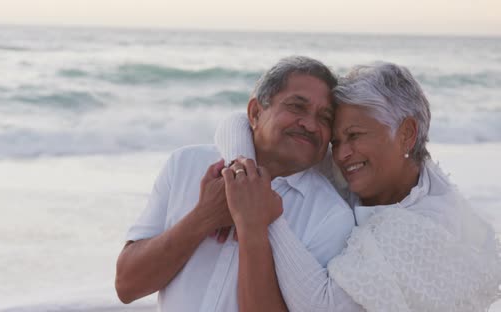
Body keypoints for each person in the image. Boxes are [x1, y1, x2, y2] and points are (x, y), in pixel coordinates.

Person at [216, 62, 501, 311]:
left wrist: (264, 214)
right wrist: (242, 171)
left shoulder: (426, 226)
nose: (341, 154)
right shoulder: (379, 173)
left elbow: (321, 306)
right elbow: (238, 122)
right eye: (336, 141)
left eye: (354, 135)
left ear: (406, 134)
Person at [115, 56, 355, 312]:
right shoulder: (185, 165)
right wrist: (204, 216)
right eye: (297, 107)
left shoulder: (331, 216)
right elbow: (127, 286)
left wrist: (253, 225)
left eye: (325, 118)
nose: (310, 124)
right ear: (255, 113)